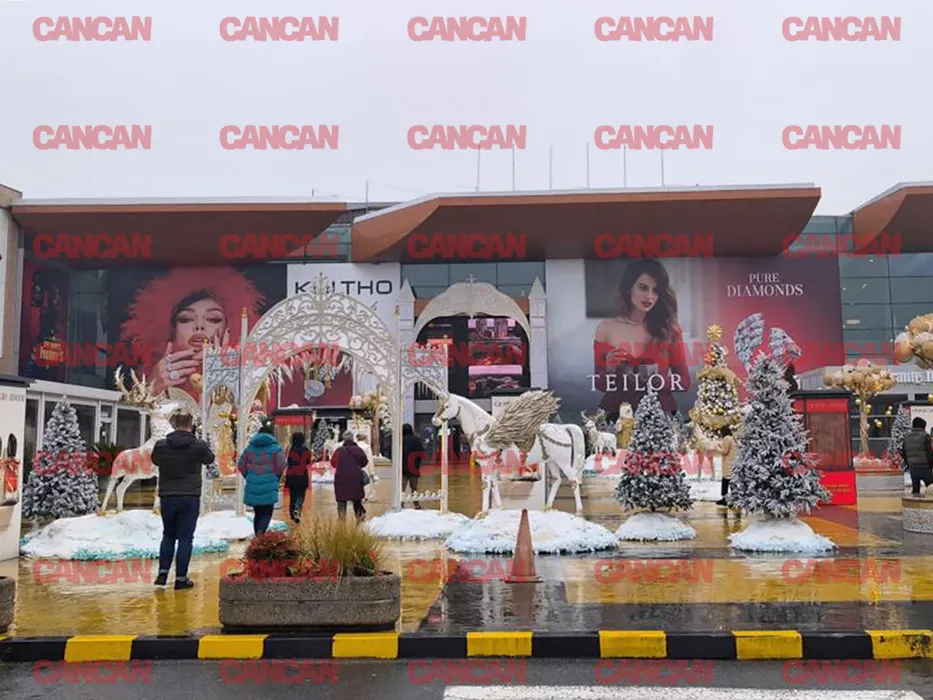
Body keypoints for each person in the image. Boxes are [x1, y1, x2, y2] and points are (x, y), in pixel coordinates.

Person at [121, 268, 265, 405]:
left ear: (229, 329)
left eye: (213, 319)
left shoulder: (248, 378)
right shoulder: (153, 378)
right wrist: (152, 389)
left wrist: (228, 376)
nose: (199, 326)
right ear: (172, 330)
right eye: (186, 319)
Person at [593, 259, 690, 421]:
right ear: (628, 288)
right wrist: (610, 369)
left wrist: (659, 381)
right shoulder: (606, 328)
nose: (650, 296)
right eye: (643, 288)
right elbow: (599, 384)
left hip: (660, 416)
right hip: (616, 415)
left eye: (656, 290)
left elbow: (684, 382)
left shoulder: (669, 329)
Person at [151, 412, 215, 590]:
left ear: (174, 424)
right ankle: (181, 578)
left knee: (168, 535)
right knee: (185, 538)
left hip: (168, 496)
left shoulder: (161, 445)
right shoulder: (198, 445)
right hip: (189, 496)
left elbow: (155, 460)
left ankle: (163, 573)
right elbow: (210, 459)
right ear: (190, 425)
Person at [238, 422, 286, 534]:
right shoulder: (276, 448)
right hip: (269, 484)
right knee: (267, 512)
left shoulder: (250, 448)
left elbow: (241, 464)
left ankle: (258, 536)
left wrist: (248, 476)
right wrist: (276, 477)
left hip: (253, 484)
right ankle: (260, 534)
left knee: (258, 513)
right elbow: (281, 465)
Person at [331, 430, 369, 521]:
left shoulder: (339, 451)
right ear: (352, 439)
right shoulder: (358, 450)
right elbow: (364, 462)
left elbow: (333, 463)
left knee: (341, 501)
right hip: (355, 479)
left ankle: (341, 521)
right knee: (356, 499)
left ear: (344, 439)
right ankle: (360, 519)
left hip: (341, 479)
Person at [900, 417, 933, 496]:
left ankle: (914, 502)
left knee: (915, 489)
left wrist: (909, 464)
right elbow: (929, 452)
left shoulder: (907, 437)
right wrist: (931, 464)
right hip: (925, 467)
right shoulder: (925, 436)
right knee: (931, 487)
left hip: (913, 467)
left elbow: (903, 453)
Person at [284, 432, 312, 523]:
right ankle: (298, 508)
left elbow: (287, 461)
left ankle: (292, 514)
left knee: (292, 496)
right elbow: (308, 461)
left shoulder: (291, 450)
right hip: (302, 475)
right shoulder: (306, 450)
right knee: (301, 495)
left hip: (291, 475)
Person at [402, 424, 424, 509]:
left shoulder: (400, 439)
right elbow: (421, 452)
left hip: (402, 468)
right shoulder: (416, 439)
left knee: (402, 488)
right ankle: (416, 504)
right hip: (413, 468)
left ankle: (401, 503)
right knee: (414, 488)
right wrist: (417, 463)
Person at [715, 425, 737, 507]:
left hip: (728, 462)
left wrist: (717, 448)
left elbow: (724, 452)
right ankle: (735, 498)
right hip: (733, 461)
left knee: (726, 481)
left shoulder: (726, 439)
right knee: (732, 481)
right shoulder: (732, 438)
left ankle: (725, 499)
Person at [356, 432, 376, 502]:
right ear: (365, 438)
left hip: (355, 467)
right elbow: (370, 460)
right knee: (366, 482)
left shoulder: (354, 446)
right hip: (365, 467)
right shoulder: (367, 447)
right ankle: (365, 497)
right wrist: (372, 472)